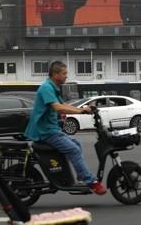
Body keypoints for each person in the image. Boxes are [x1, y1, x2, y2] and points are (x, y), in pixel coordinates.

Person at [24, 61, 106, 195]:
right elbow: (58, 107)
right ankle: (91, 181)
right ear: (55, 74)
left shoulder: (53, 88)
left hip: (51, 129)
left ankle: (81, 175)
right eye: (64, 73)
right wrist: (80, 112)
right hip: (46, 131)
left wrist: (83, 109)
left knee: (76, 144)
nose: (66, 76)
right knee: (73, 150)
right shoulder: (46, 88)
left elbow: (64, 106)